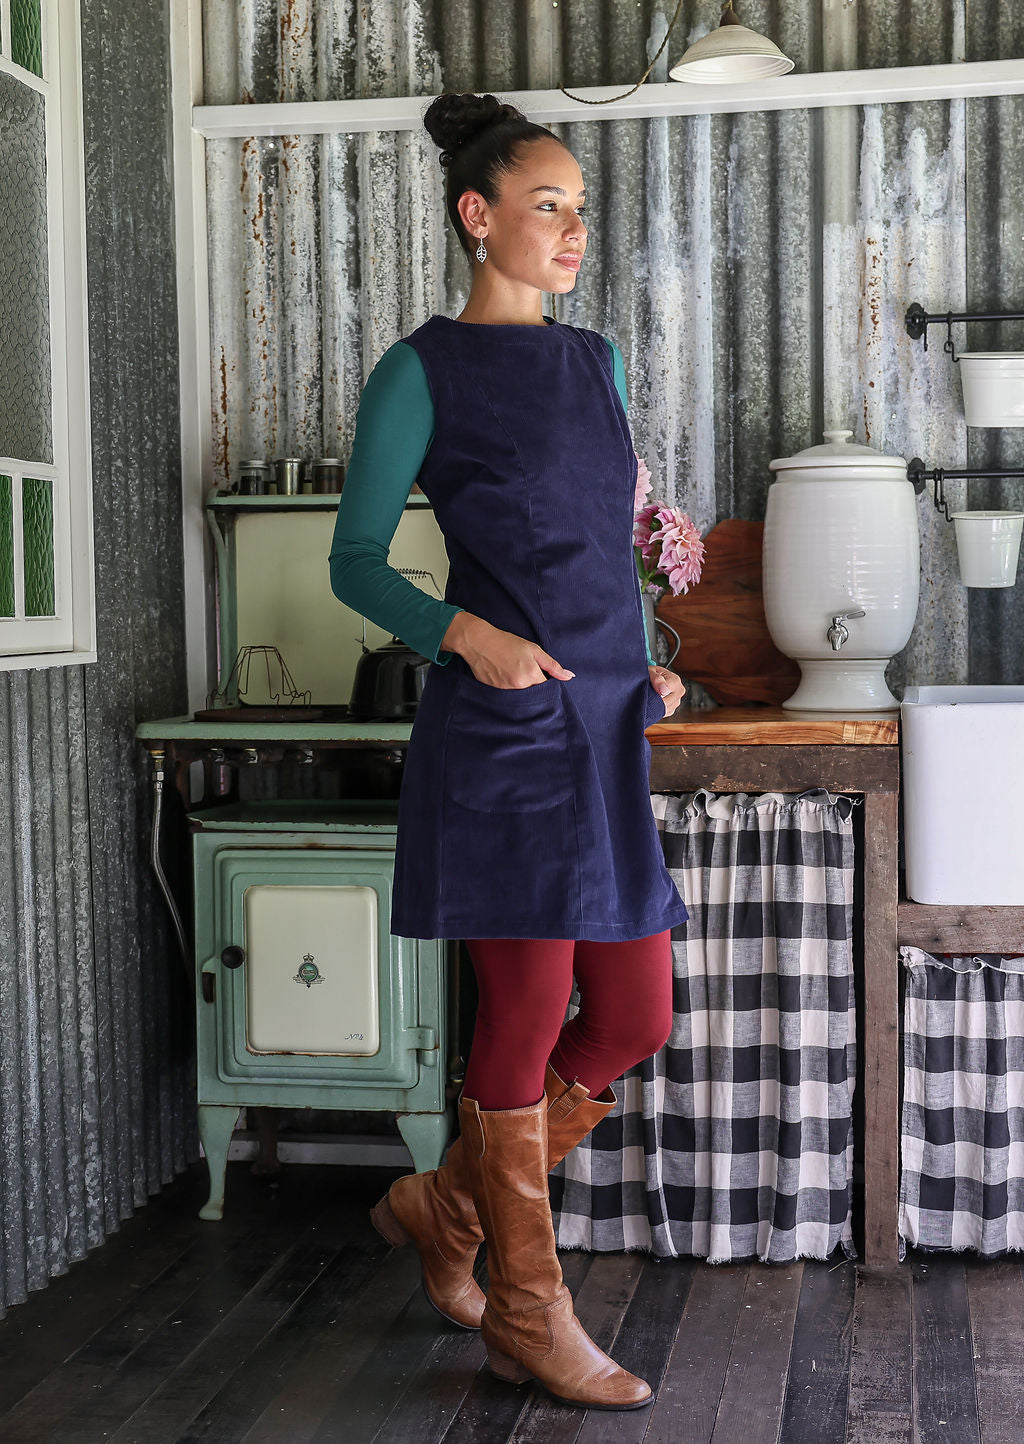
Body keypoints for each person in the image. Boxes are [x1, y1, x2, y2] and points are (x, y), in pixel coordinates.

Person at [328, 91, 689, 1412]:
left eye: (582, 211)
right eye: (549, 206)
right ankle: (527, 1313)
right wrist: (462, 634)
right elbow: (355, 562)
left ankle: (447, 1206)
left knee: (636, 1010)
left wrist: (641, 648)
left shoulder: (595, 364)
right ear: (480, 218)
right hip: (501, 737)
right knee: (530, 1012)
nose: (575, 230)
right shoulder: (419, 370)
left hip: (603, 734)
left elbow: (599, 547)